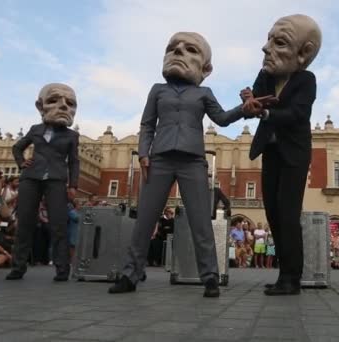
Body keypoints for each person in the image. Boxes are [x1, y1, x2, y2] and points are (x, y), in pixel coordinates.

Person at [109, 32, 254, 298]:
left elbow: (221, 119)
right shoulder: (157, 90)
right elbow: (147, 124)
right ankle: (130, 275)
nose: (177, 52)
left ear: (205, 68)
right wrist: (144, 153)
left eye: (188, 49)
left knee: (201, 221)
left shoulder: (203, 93)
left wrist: (244, 108)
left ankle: (210, 277)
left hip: (192, 162)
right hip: (160, 160)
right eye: (172, 48)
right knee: (144, 220)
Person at [240, 14, 322, 296]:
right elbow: (257, 102)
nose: (266, 48)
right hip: (271, 151)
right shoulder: (266, 76)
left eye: (279, 42)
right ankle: (283, 275)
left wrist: (263, 111)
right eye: (268, 40)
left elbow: (297, 113)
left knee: (288, 214)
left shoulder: (306, 80)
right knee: (274, 214)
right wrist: (249, 100)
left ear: (304, 53)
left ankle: (291, 278)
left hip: (294, 155)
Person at [6, 83, 80, 282]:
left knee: (58, 225)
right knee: (25, 223)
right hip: (31, 178)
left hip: (56, 180)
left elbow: (74, 161)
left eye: (70, 103)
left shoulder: (72, 135)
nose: (63, 106)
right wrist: (22, 164)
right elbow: (17, 148)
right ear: (40, 107)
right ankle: (18, 267)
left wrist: (73, 185)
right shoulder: (35, 129)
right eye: (54, 100)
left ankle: (62, 269)